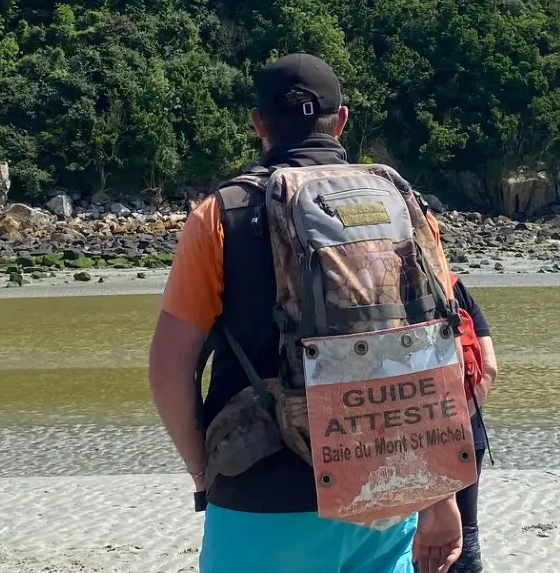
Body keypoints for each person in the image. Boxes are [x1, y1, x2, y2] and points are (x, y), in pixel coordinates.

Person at [147, 53, 465, 573]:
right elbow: (433, 354)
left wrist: (202, 471)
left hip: (263, 487)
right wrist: (439, 492)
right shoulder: (404, 206)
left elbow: (169, 367)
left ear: (257, 124)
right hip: (385, 486)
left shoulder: (220, 214)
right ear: (342, 121)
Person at [449, 279, 497, 573]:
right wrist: (460, 417)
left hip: (403, 439)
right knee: (465, 528)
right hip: (468, 429)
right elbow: (489, 367)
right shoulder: (454, 287)